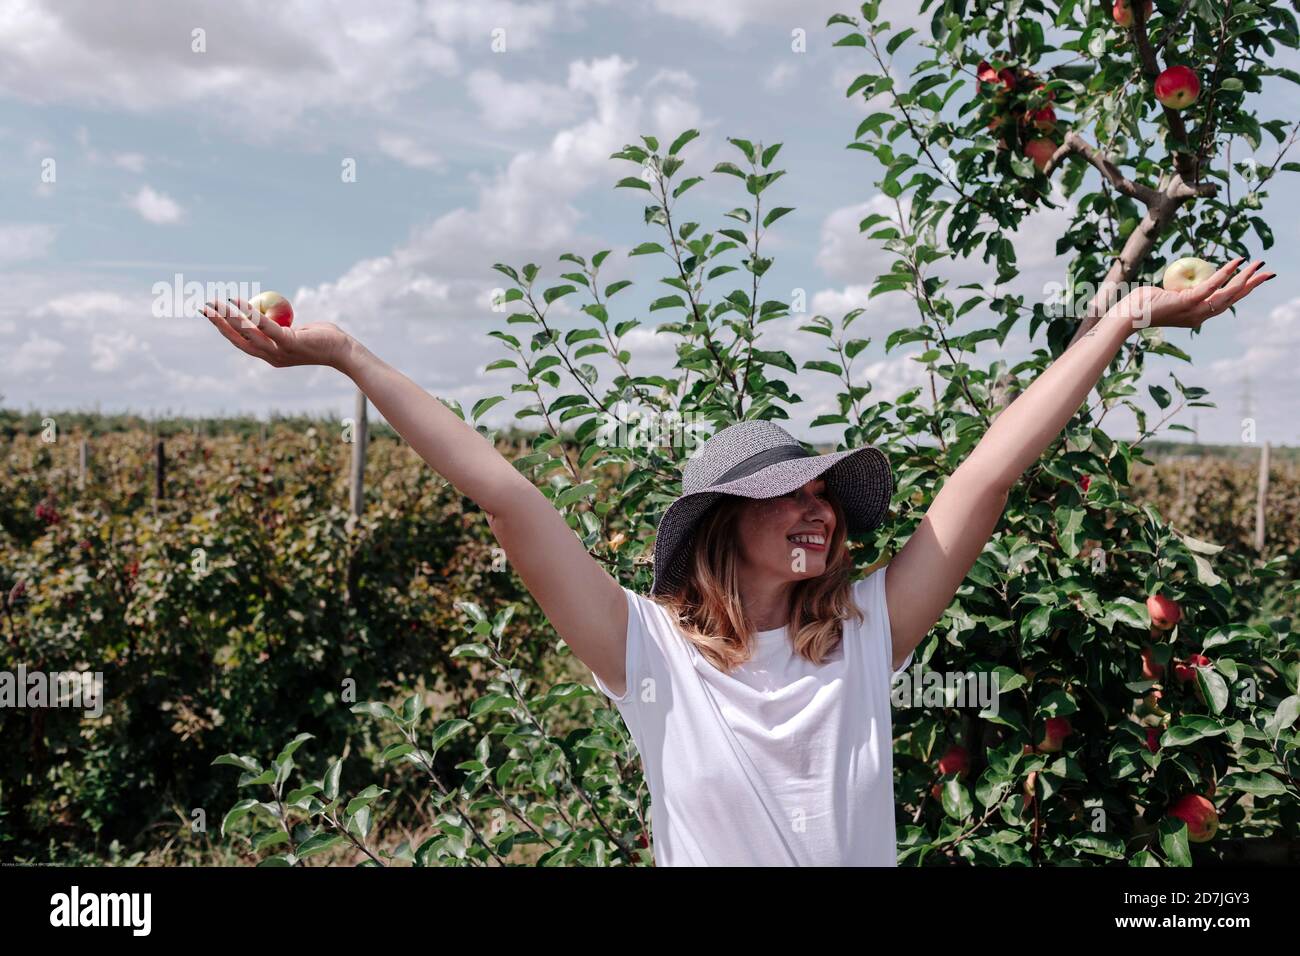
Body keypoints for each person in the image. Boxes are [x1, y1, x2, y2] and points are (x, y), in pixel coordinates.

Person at [200, 257, 1273, 865]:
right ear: (722, 517)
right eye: (789, 493)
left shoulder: (864, 634)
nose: (817, 510)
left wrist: (1122, 319)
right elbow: (505, 491)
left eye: (825, 494)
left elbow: (985, 474)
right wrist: (348, 354)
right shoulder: (646, 649)